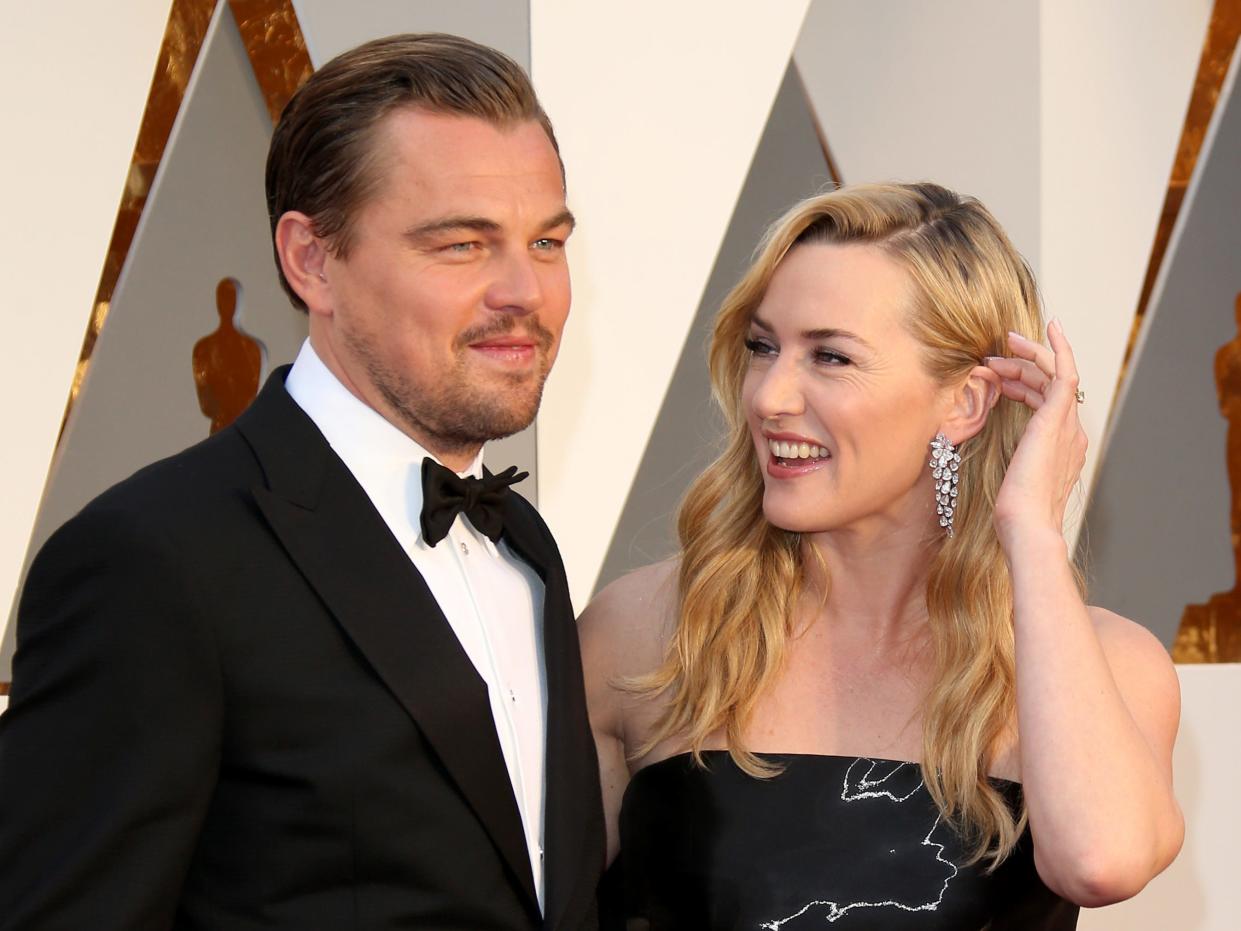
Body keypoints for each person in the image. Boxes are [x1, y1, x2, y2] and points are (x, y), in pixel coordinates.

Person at [0, 34, 603, 930]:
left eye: (546, 241)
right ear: (311, 260)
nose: (525, 290)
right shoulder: (155, 560)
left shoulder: (523, 542)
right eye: (461, 245)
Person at [583, 183, 1183, 929]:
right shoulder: (645, 636)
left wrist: (1030, 530)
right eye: (761, 346)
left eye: (829, 356)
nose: (769, 396)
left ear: (964, 403)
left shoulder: (1104, 663)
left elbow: (1101, 861)